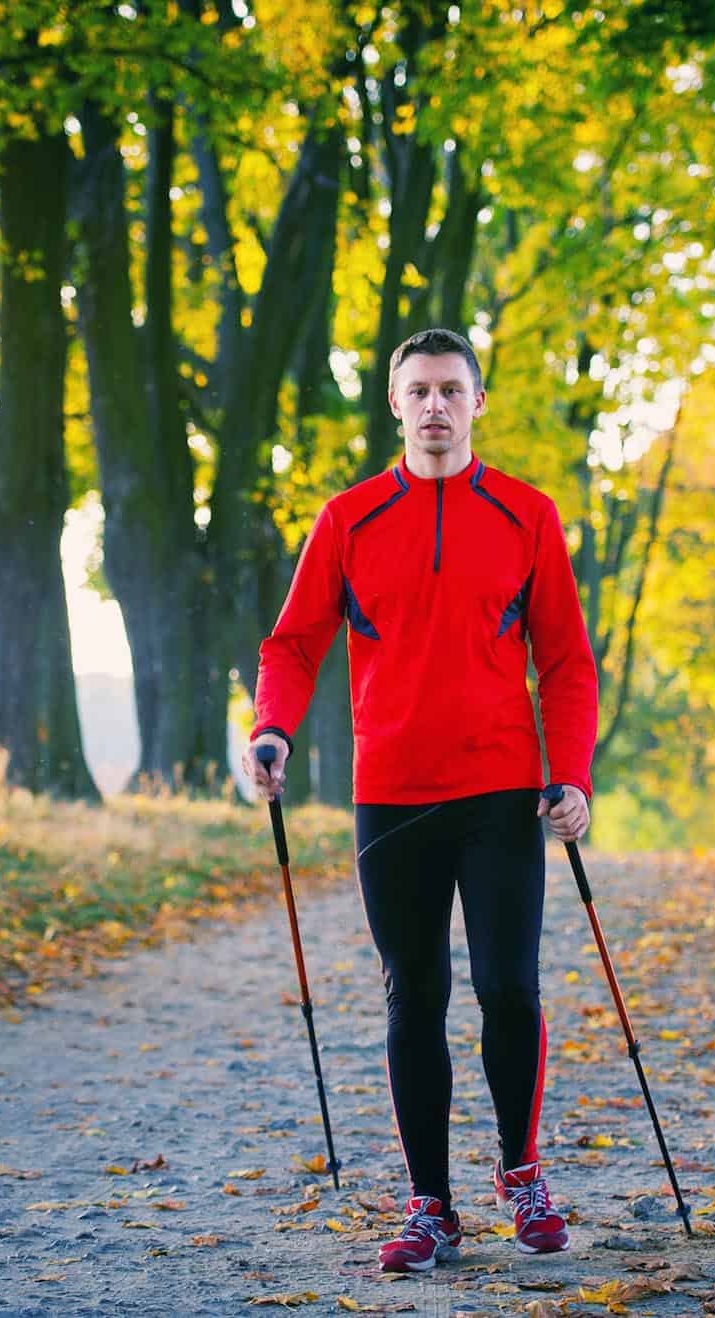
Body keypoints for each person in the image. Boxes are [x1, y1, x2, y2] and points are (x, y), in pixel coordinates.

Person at [243, 327, 598, 1273]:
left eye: (451, 389)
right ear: (395, 405)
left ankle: (520, 1174)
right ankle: (430, 1205)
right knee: (416, 998)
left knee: (509, 988)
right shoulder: (349, 518)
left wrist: (571, 774)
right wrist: (270, 729)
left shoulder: (527, 514)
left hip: (502, 793)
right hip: (392, 794)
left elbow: (565, 660)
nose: (435, 405)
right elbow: (292, 643)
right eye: (418, 391)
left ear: (479, 402)